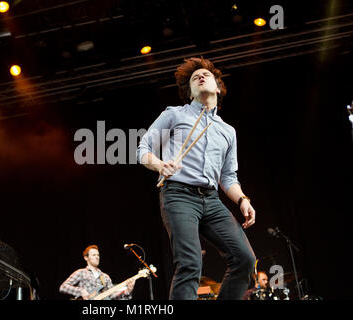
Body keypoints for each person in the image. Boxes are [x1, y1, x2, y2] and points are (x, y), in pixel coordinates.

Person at [137, 57, 256, 300]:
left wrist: (242, 199)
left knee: (245, 259)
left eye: (206, 75)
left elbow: (228, 176)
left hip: (211, 200)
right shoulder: (174, 114)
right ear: (189, 91)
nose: (201, 77)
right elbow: (143, 149)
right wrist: (160, 164)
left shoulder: (227, 131)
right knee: (190, 264)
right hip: (178, 195)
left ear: (219, 87)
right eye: (194, 78)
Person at [59, 245, 135, 300]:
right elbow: (63, 287)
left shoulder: (105, 277)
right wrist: (80, 291)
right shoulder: (81, 272)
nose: (97, 257)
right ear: (86, 258)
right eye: (93, 255)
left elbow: (111, 296)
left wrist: (127, 291)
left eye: (98, 255)